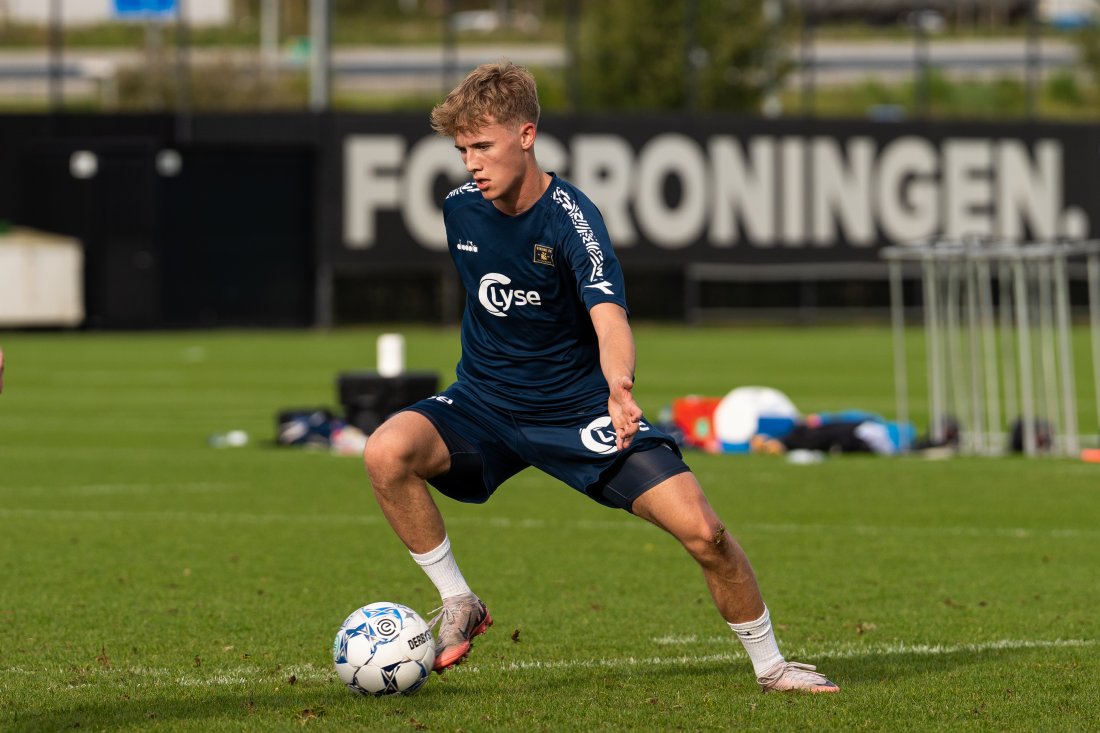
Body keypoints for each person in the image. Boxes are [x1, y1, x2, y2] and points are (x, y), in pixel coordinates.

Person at [362, 60, 838, 693]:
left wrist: (619, 387)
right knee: (385, 452)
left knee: (707, 532)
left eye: (483, 145)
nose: (470, 163)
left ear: (526, 135)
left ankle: (772, 666)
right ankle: (460, 602)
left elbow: (609, 317)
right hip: (482, 405)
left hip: (578, 413)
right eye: (461, 149)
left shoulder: (572, 220)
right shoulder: (459, 210)